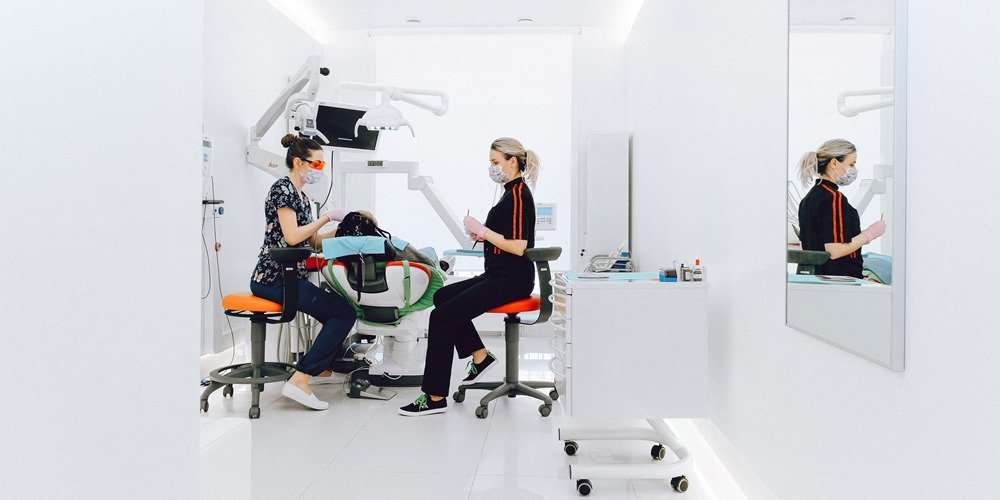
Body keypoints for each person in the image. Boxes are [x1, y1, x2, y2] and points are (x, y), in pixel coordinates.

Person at [399, 137, 540, 416]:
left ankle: (435, 397)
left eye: (495, 162)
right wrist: (481, 234)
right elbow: (504, 239)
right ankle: (480, 355)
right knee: (442, 296)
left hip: (512, 280)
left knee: (441, 317)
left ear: (513, 162)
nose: (492, 167)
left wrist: (484, 231)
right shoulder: (508, 192)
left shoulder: (519, 194)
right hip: (498, 274)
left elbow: (519, 246)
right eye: (490, 162)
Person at [249, 133, 356, 410]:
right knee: (343, 313)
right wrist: (325, 217)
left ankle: (317, 368)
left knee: (337, 310)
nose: (321, 169)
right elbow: (293, 237)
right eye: (317, 164)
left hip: (290, 277)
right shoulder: (282, 190)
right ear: (299, 162)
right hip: (273, 279)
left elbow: (313, 242)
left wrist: (347, 230)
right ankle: (301, 379)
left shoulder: (302, 196)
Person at [796, 139, 886, 279]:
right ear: (834, 163)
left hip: (814, 279)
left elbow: (822, 241)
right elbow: (835, 250)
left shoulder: (807, 200)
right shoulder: (833, 198)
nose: (854, 170)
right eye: (851, 164)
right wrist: (870, 234)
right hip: (838, 280)